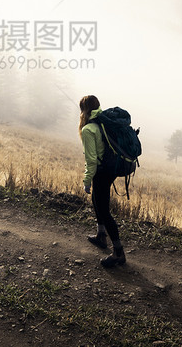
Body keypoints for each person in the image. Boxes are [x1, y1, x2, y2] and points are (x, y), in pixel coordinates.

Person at [79, 95, 126, 267]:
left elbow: (91, 160)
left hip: (101, 171)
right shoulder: (103, 121)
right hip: (110, 168)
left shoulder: (88, 129)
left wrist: (87, 180)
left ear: (83, 110)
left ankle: (118, 252)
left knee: (104, 211)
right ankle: (101, 235)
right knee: (97, 202)